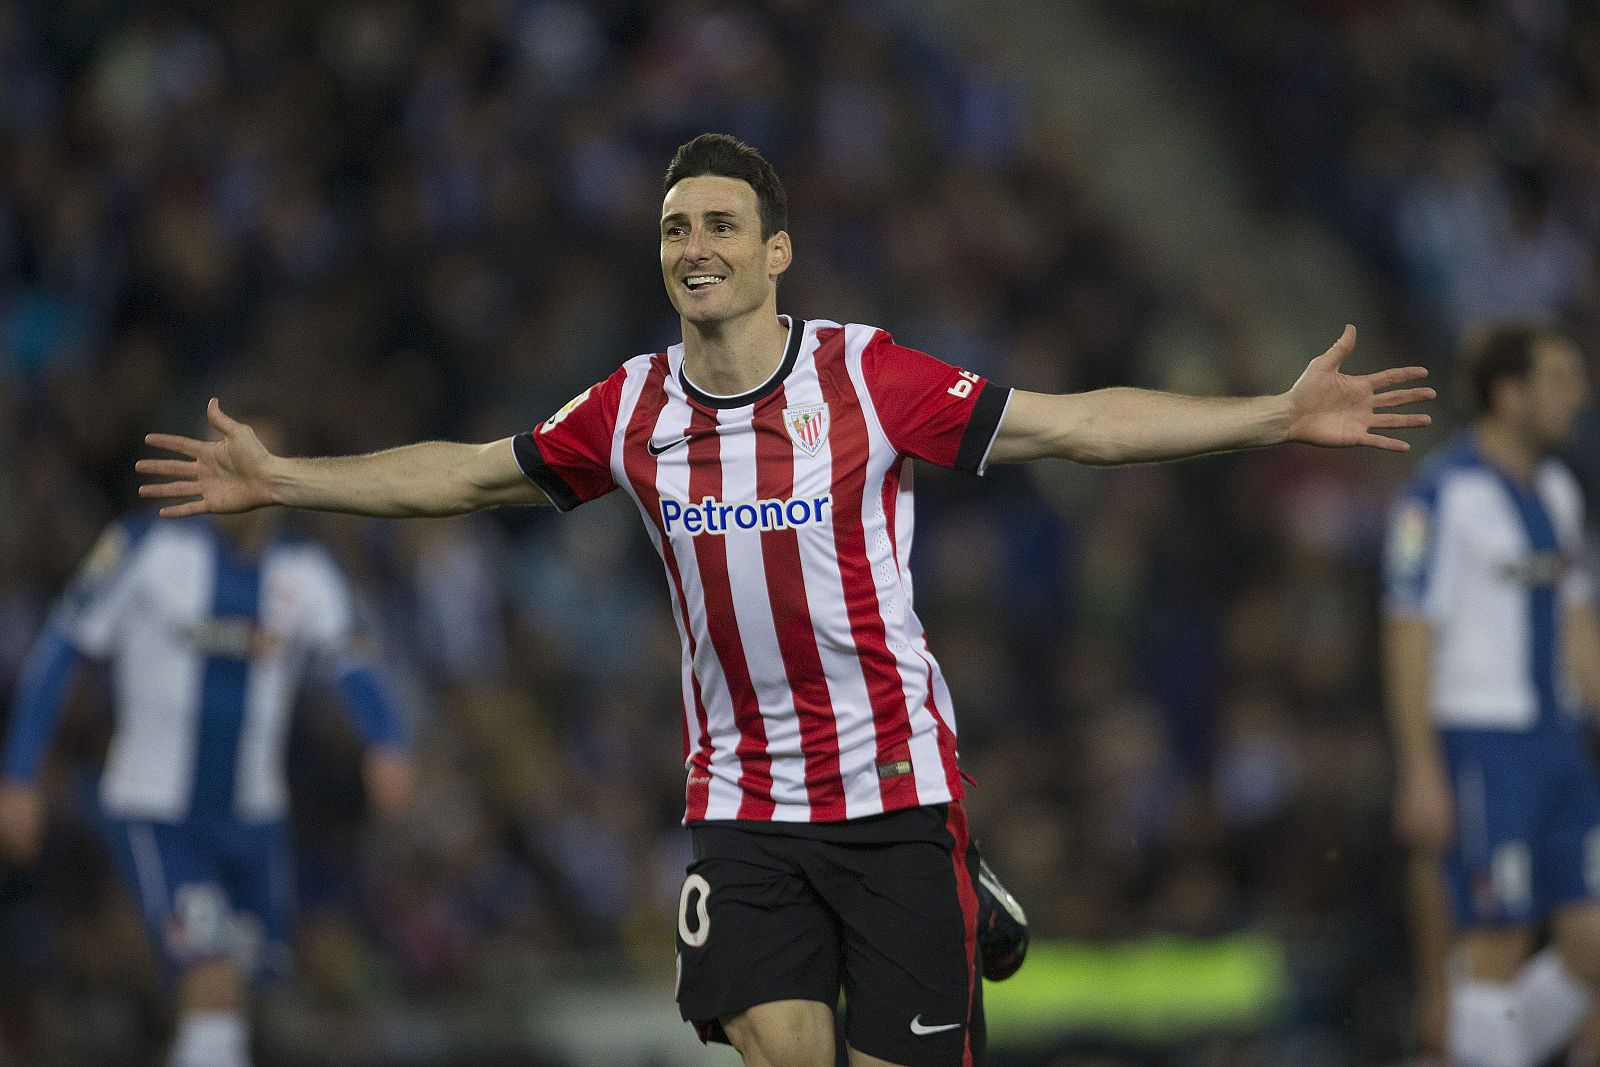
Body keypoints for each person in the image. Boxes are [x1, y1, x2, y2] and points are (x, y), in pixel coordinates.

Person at [137, 133, 1433, 1067]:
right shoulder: (631, 406)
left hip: (892, 786)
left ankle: (955, 884)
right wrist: (284, 476)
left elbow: (1079, 423)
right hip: (745, 805)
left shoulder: (866, 377)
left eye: (716, 226)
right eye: (673, 229)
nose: (692, 247)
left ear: (776, 251)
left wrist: (1271, 411)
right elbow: (463, 478)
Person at [0, 416, 416, 1067]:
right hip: (160, 810)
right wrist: (19, 773)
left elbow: (352, 658)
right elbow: (61, 646)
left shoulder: (305, 571)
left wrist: (386, 742)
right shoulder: (145, 548)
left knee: (235, 994)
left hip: (254, 820)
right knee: (211, 977)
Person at [1384, 322, 1600, 1067]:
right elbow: (1409, 631)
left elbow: (1578, 627)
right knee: (1496, 939)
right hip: (1483, 739)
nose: (1578, 394)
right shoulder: (1443, 496)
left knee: (1592, 941)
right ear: (1509, 396)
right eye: (1559, 379)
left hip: (1559, 743)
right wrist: (1420, 765)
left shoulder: (1561, 493)